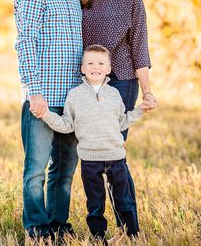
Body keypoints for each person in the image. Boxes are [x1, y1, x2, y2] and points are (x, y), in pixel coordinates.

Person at [80, 0, 159, 233]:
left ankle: (129, 228)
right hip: (88, 86)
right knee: (92, 157)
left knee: (114, 156)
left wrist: (148, 90)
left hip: (122, 82)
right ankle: (103, 228)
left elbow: (140, 46)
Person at [42, 45, 150, 244]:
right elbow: (67, 125)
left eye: (101, 63)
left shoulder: (114, 94)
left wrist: (140, 110)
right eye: (90, 63)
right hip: (90, 160)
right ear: (82, 68)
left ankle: (132, 235)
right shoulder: (74, 95)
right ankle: (99, 237)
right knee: (95, 204)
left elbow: (122, 122)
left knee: (123, 201)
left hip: (116, 158)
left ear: (108, 68)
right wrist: (47, 115)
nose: (96, 67)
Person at [14, 0, 82, 241]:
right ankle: (37, 227)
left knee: (65, 170)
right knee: (36, 171)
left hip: (72, 101)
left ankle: (58, 224)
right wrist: (34, 90)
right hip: (43, 98)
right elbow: (25, 43)